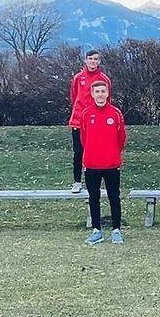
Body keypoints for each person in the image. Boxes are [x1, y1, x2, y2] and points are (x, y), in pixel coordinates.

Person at [80, 81, 127, 245]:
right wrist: (92, 153)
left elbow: (121, 138)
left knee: (114, 197)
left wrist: (112, 153)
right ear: (92, 94)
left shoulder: (115, 113)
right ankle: (96, 230)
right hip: (92, 164)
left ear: (108, 93)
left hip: (111, 164)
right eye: (97, 91)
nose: (100, 94)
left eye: (103, 91)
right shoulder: (86, 114)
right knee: (94, 198)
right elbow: (83, 139)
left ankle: (116, 230)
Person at [68, 50, 111, 194]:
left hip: (97, 121)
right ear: (85, 60)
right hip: (79, 121)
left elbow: (107, 100)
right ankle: (77, 181)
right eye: (90, 58)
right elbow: (74, 97)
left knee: (96, 150)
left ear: (99, 61)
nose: (93, 61)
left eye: (96, 59)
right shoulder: (78, 78)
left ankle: (95, 181)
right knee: (78, 152)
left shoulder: (104, 79)